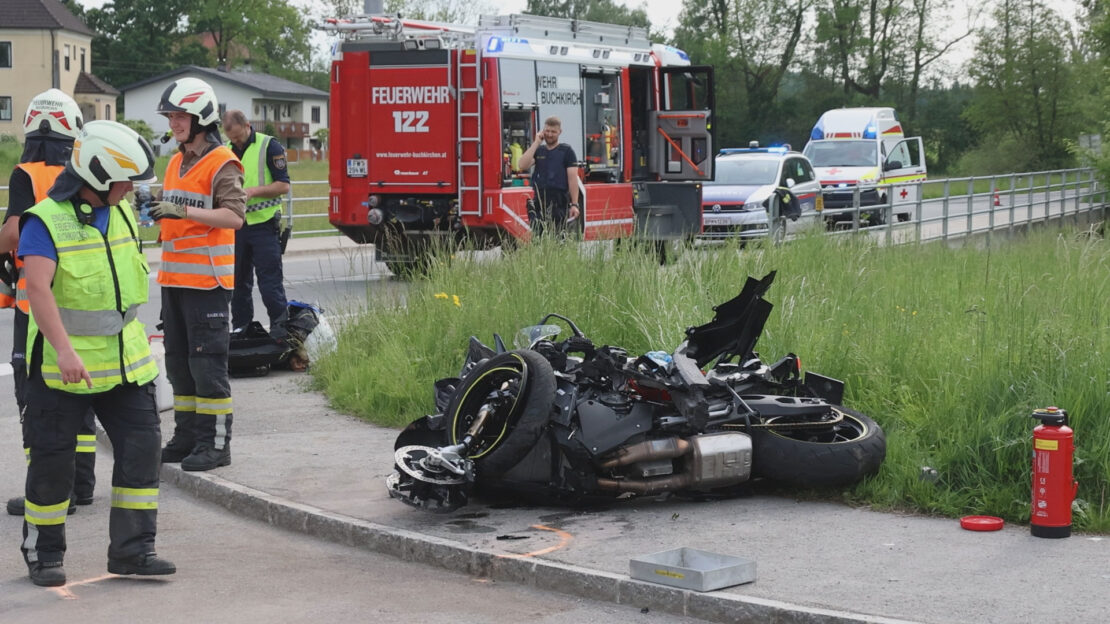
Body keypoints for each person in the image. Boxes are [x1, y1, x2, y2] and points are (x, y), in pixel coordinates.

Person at [19, 120, 175, 586]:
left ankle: (133, 551)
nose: (132, 190)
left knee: (143, 450)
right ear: (99, 175)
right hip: (62, 366)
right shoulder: (45, 220)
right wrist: (65, 351)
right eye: (125, 181)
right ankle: (44, 554)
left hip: (126, 363)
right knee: (53, 462)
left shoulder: (121, 209)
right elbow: (38, 291)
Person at [3, 89, 97, 518]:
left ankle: (47, 490)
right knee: (79, 394)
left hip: (36, 308)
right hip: (77, 300)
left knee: (37, 400)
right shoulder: (86, 170)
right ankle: (81, 484)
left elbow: (13, 234)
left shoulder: (26, 173)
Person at [151, 77, 246, 472]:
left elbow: (234, 216)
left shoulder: (222, 162)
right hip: (174, 282)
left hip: (207, 283)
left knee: (208, 369)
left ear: (201, 118)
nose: (173, 122)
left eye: (180, 115)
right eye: (170, 115)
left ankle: (216, 445)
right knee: (179, 365)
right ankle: (188, 437)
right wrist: (157, 205)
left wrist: (182, 212)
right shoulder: (175, 161)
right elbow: (175, 209)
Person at [222, 109, 291, 338]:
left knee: (270, 285)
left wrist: (254, 192)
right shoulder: (226, 150)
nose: (236, 142)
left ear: (247, 125)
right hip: (237, 227)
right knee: (238, 286)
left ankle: (282, 337)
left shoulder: (269, 146)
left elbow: (283, 185)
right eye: (232, 139)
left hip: (264, 225)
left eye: (239, 137)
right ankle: (242, 334)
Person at [516, 116, 580, 237]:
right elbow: (522, 165)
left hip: (559, 203)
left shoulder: (567, 151)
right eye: (547, 131)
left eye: (553, 131)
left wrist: (574, 204)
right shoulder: (539, 150)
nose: (549, 134)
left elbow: (572, 180)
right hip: (540, 202)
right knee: (539, 239)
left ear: (560, 132)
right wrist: (536, 142)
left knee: (559, 239)